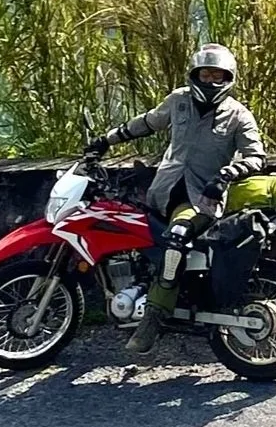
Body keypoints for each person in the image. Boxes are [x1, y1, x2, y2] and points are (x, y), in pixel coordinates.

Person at [93, 44, 266, 357]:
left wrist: (226, 175)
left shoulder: (239, 115)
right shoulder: (178, 100)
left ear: (229, 77)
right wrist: (107, 140)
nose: (210, 79)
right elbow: (147, 122)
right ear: (194, 74)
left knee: (177, 238)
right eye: (205, 72)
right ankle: (141, 289)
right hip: (164, 191)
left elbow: (256, 157)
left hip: (202, 198)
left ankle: (153, 321)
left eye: (218, 74)